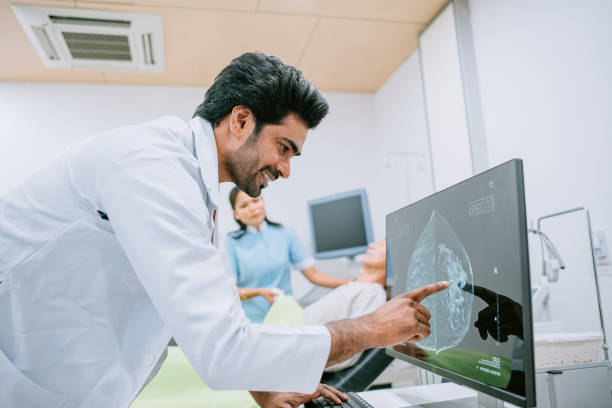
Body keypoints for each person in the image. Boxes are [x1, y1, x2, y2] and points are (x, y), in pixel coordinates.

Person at [0, 51, 448, 408]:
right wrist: (372, 328)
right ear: (240, 121)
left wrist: (263, 386)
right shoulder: (151, 167)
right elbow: (222, 348)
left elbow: (196, 316)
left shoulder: (191, 188)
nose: (287, 170)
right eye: (284, 147)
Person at [225, 187, 351, 323]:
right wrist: (259, 292)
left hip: (288, 318)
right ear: (236, 214)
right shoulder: (231, 243)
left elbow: (314, 275)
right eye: (244, 205)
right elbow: (230, 289)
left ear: (263, 201)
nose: (252, 208)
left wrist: (345, 284)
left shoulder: (285, 234)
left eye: (256, 200)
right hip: (253, 323)